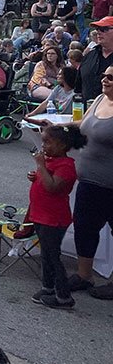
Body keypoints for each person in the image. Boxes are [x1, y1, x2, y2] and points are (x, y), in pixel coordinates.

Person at [26, 124, 87, 310]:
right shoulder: (50, 160)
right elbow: (43, 179)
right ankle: (48, 287)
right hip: (41, 215)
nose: (44, 146)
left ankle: (63, 296)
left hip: (54, 219)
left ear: (62, 146)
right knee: (45, 254)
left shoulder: (66, 166)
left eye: (48, 142)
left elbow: (53, 187)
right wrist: (35, 175)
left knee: (53, 257)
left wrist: (40, 166)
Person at [67, 64, 113, 299]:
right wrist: (57, 127)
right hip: (88, 181)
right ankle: (84, 276)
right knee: (85, 228)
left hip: (110, 185)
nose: (105, 80)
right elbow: (82, 125)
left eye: (111, 78)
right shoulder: (98, 100)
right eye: (105, 75)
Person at [78, 15, 113, 102]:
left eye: (104, 29)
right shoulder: (89, 55)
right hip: (88, 111)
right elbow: (78, 87)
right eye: (97, 29)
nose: (98, 32)